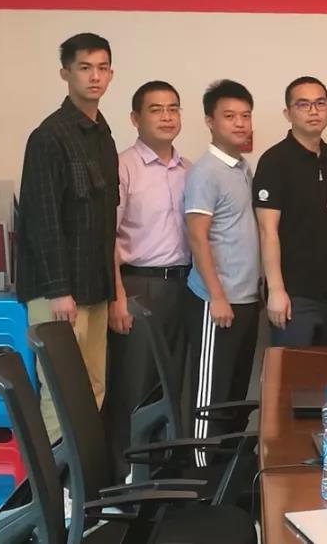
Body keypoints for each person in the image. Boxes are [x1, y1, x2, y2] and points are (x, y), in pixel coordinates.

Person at [16, 33, 118, 441]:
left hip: (94, 289)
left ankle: (82, 478)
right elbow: (41, 221)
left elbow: (106, 221)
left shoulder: (103, 135)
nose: (95, 77)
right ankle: (53, 480)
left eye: (102, 68)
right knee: (60, 395)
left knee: (93, 389)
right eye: (84, 68)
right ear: (65, 73)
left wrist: (113, 292)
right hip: (57, 294)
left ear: (111, 74)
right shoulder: (48, 137)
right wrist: (59, 291)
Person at [107, 80, 191, 478]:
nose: (166, 117)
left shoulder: (188, 170)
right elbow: (108, 237)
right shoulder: (122, 167)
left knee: (172, 386)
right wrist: (117, 297)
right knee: (135, 386)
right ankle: (126, 479)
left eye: (173, 108)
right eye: (156, 109)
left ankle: (162, 478)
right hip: (137, 287)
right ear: (135, 118)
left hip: (182, 286)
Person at [184, 80, 260, 463]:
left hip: (246, 298)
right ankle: (202, 472)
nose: (240, 123)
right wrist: (216, 296)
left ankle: (226, 473)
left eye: (245, 116)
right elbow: (197, 236)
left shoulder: (242, 167)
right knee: (210, 398)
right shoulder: (206, 171)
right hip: (218, 302)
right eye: (230, 116)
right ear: (210, 122)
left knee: (233, 396)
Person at [254, 76, 327, 347]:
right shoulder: (274, 161)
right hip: (294, 296)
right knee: (293, 371)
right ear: (288, 113)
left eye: (320, 103)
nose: (313, 111)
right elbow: (267, 231)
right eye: (303, 104)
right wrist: (276, 290)